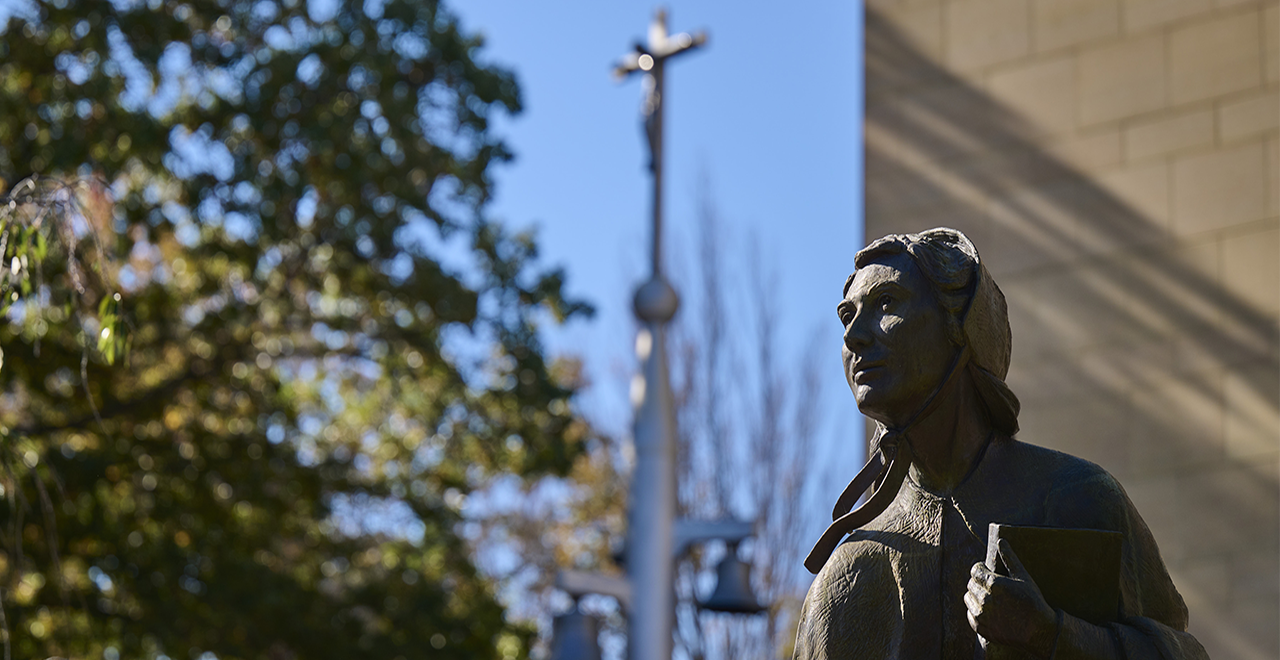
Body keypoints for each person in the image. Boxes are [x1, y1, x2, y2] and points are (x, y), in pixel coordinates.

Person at [793, 229, 1208, 660]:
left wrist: (1053, 635)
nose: (853, 336)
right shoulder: (844, 577)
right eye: (846, 315)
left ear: (963, 326)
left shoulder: (1078, 499)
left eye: (886, 303)